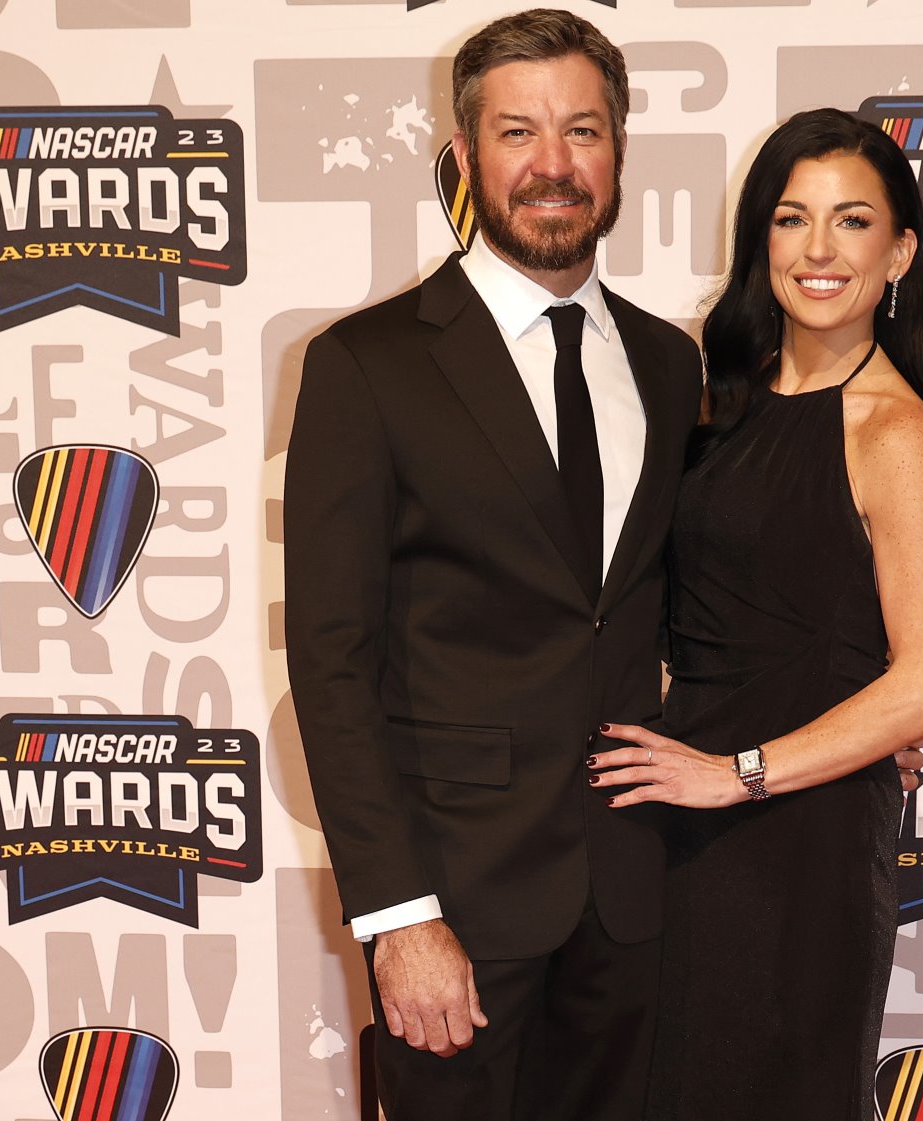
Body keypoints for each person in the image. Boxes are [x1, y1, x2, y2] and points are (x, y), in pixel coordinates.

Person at [283, 11, 702, 1119]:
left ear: (619, 154)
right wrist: (398, 914)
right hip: (454, 908)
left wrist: (844, 739)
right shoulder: (365, 366)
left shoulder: (669, 363)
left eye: (584, 131)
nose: (554, 165)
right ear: (466, 156)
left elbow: (685, 615)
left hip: (633, 900)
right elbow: (330, 664)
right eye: (519, 133)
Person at [589, 108, 923, 1119]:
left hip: (800, 832)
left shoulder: (895, 429)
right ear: (762, 238)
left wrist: (737, 774)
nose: (818, 249)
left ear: (900, 253)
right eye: (792, 218)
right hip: (670, 810)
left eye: (852, 222)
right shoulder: (713, 397)